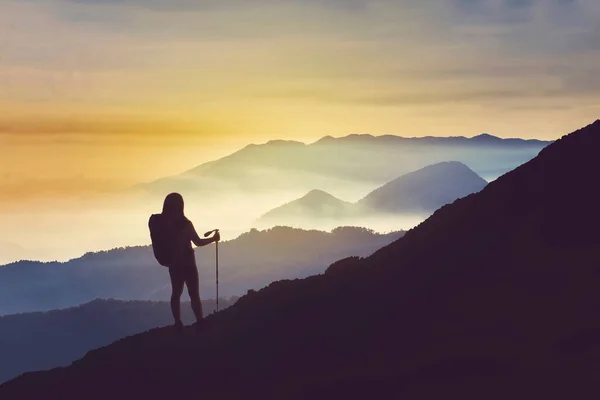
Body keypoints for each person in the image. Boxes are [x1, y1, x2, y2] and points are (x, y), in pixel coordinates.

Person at [161, 192, 219, 333]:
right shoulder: (185, 224)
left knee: (176, 293)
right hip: (188, 264)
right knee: (194, 293)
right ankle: (199, 320)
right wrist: (214, 238)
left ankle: (178, 323)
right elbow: (198, 242)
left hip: (174, 264)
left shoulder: (164, 224)